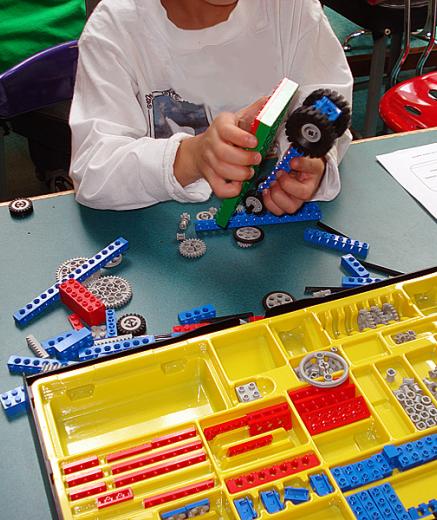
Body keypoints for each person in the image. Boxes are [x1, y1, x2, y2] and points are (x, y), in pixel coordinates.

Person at [69, 0, 353, 214]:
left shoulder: (290, 8)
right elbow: (93, 171)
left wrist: (314, 160)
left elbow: (328, 101)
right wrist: (192, 157)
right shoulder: (115, 28)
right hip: (158, 237)